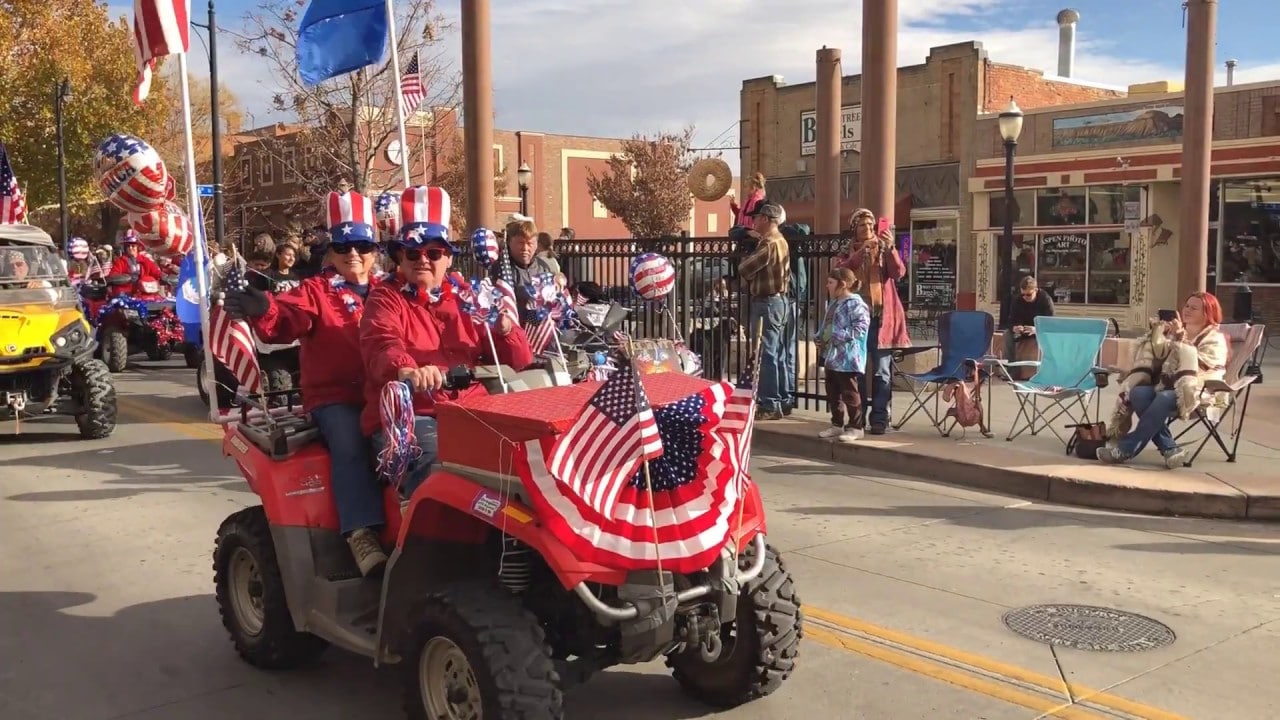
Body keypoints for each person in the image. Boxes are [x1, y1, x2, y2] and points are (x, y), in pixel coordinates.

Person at [222, 188, 389, 576]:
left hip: (389, 392)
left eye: (362, 244)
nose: (353, 254)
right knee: (349, 443)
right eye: (344, 244)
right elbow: (286, 320)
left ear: (375, 249)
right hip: (337, 396)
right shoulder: (316, 291)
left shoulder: (393, 291)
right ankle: (360, 531)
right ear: (330, 249)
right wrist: (264, 308)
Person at [360, 186, 533, 497]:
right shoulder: (385, 298)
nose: (423, 260)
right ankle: (428, 539)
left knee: (530, 457)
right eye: (413, 253)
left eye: (434, 253)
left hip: (474, 408)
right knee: (441, 465)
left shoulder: (469, 296)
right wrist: (408, 370)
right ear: (401, 257)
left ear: (448, 258)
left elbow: (519, 361)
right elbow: (382, 342)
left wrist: (505, 329)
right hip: (415, 414)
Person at [1098, 292, 1228, 468]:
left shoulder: (1215, 339)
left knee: (1164, 397)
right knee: (1138, 393)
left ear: (1207, 313)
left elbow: (1199, 367)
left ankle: (1126, 449)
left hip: (1197, 390)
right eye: (1187, 306)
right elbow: (1164, 362)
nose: (1187, 310)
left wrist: (1181, 342)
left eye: (1194, 308)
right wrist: (1158, 337)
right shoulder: (1177, 331)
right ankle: (1170, 449)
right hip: (1167, 385)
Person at [837, 209, 909, 435]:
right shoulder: (848, 251)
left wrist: (890, 249)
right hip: (857, 319)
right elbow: (842, 273)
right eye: (863, 226)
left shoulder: (883, 248)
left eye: (871, 225)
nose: (868, 230)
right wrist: (861, 254)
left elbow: (898, 273)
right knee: (858, 369)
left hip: (881, 317)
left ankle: (879, 418)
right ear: (855, 231)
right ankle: (857, 417)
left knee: (881, 371)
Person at [737, 201, 792, 420]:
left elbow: (745, 268)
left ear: (767, 220)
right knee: (777, 353)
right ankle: (783, 399)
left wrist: (745, 258)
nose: (753, 221)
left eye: (757, 217)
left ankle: (769, 404)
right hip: (779, 301)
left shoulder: (769, 243)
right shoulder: (781, 241)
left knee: (766, 354)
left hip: (767, 302)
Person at [815, 268, 871, 443]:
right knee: (833, 392)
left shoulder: (856, 304)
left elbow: (861, 327)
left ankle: (856, 426)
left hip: (848, 356)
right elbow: (827, 323)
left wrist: (838, 335)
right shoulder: (834, 303)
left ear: (843, 285)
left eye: (831, 283)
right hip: (831, 354)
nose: (828, 286)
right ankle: (837, 424)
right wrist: (819, 336)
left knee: (849, 391)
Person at [494, 218, 559, 324]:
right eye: (520, 243)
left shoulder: (543, 267)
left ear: (536, 245)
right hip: (514, 326)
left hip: (540, 327)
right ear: (510, 242)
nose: (525, 248)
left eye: (530, 243)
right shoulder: (501, 268)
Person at [1004, 275, 1055, 378]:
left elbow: (1051, 323)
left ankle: (1045, 370)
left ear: (1035, 290)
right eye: (1023, 294)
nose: (1025, 297)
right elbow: (1010, 320)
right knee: (1007, 335)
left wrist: (1037, 330)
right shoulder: (1018, 300)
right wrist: (1014, 327)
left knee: (1049, 338)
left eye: (1028, 294)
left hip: (1039, 330)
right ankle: (1012, 370)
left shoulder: (1045, 300)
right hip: (1023, 330)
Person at [108, 232, 164, 297]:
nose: (130, 248)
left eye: (133, 246)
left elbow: (156, 271)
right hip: (126, 292)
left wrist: (164, 277)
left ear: (138, 247)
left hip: (144, 291)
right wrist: (120, 278)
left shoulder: (145, 260)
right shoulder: (120, 261)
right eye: (128, 246)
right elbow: (113, 274)